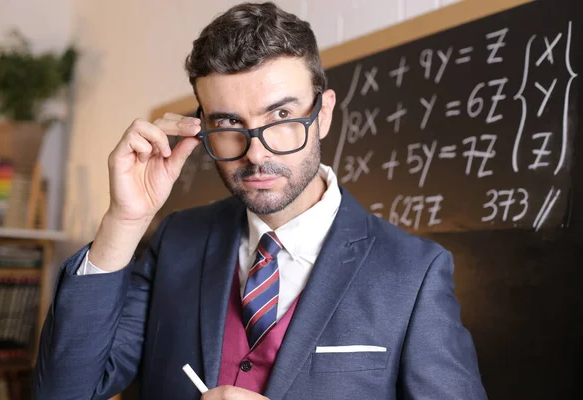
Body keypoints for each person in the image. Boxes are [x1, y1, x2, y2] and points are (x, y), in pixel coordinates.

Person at [33, 2, 488, 399]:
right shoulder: (176, 240)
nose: (256, 153)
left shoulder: (413, 272)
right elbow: (64, 389)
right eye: (229, 123)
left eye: (282, 116)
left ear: (323, 114)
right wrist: (123, 220)